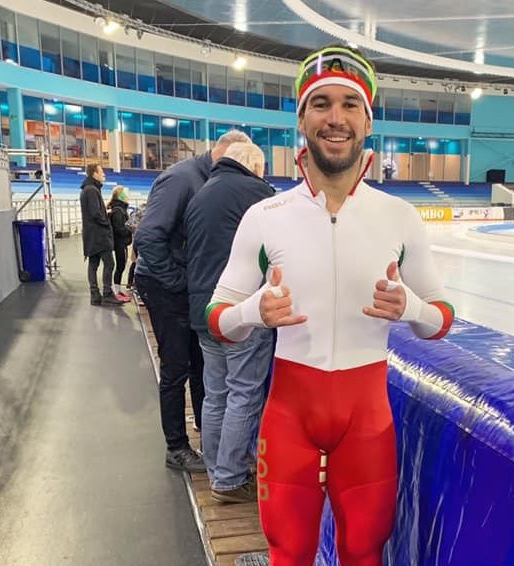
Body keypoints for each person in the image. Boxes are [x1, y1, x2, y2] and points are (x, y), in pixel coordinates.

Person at [205, 45, 454, 566]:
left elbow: (441, 320)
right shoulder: (265, 216)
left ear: (367, 121)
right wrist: (254, 312)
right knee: (289, 551)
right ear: (301, 118)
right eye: (321, 105)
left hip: (366, 421)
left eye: (349, 105)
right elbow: (218, 320)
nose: (335, 118)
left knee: (364, 551)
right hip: (289, 416)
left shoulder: (400, 217)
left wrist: (411, 306)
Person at [134, 129, 251, 473]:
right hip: (163, 285)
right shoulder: (181, 179)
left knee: (201, 363)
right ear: (224, 153)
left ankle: (206, 433)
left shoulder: (210, 179)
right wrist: (178, 283)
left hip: (189, 287)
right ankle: (176, 447)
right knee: (175, 367)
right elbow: (147, 237)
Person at [186, 142, 276, 504]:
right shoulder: (258, 194)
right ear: (254, 165)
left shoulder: (200, 194)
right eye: (264, 166)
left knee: (215, 395)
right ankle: (229, 478)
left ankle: (215, 469)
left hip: (203, 311)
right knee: (243, 393)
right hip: (242, 313)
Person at [80, 163, 123, 306]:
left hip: (92, 235)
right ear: (94, 174)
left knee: (93, 264)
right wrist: (107, 223)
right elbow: (96, 213)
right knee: (109, 263)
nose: (104, 174)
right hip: (99, 235)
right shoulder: (92, 190)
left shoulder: (88, 189)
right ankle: (107, 293)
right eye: (102, 171)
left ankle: (95, 295)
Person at [107, 185, 133, 302]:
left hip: (122, 242)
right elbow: (119, 228)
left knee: (121, 266)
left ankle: (117, 289)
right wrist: (130, 230)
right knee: (120, 265)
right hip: (119, 242)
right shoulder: (118, 210)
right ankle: (116, 290)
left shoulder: (120, 209)